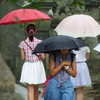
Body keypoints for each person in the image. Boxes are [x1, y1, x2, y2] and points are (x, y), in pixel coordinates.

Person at [18, 24, 46, 100]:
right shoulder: (40, 42)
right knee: (36, 90)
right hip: (37, 66)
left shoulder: (22, 43)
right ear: (35, 31)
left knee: (30, 90)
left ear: (26, 31)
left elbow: (23, 58)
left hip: (28, 66)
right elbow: (43, 57)